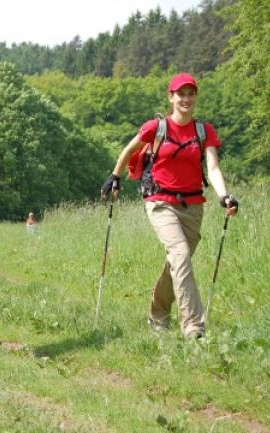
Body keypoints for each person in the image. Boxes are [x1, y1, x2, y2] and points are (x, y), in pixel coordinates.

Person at [100, 72, 239, 339]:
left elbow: (212, 167)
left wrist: (225, 196)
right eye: (180, 94)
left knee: (178, 261)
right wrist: (115, 177)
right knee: (180, 255)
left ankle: (157, 314)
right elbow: (129, 149)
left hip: (193, 205)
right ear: (171, 97)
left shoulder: (204, 130)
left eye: (191, 94)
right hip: (160, 201)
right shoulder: (156, 127)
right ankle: (194, 328)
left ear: (195, 97)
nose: (186, 99)